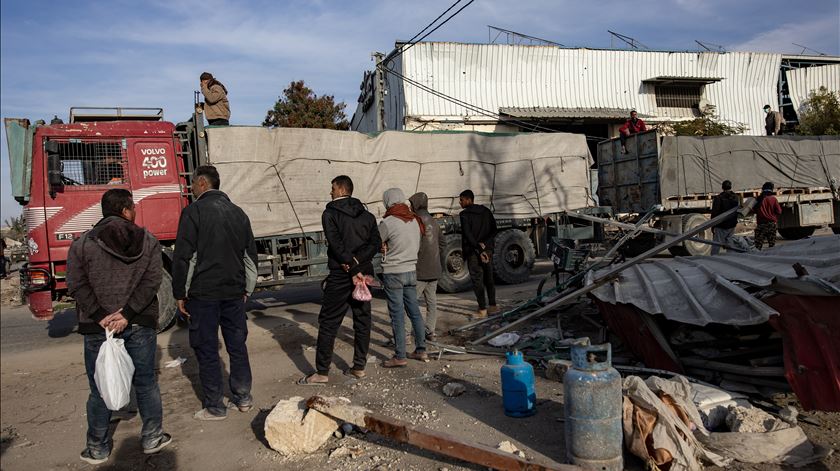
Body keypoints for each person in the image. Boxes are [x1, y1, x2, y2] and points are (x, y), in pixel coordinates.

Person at [66, 189, 171, 464]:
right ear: (126, 210)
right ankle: (152, 438)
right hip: (139, 323)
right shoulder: (148, 241)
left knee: (100, 386)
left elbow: (76, 284)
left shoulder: (82, 244)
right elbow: (153, 281)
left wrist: (101, 315)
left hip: (97, 328)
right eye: (133, 207)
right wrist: (127, 314)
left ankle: (98, 448)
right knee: (146, 383)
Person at [172, 165, 257, 420]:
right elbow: (250, 256)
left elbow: (183, 258)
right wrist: (247, 289)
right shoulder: (238, 213)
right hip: (234, 292)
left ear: (201, 183)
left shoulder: (193, 212)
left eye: (193, 183)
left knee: (207, 349)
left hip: (204, 294)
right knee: (237, 346)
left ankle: (215, 406)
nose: (192, 188)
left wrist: (180, 293)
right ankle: (243, 397)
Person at [299, 175, 381, 384]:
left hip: (340, 274)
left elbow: (335, 244)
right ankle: (359, 367)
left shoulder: (330, 214)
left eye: (333, 188)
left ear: (342, 190)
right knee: (362, 320)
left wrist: (350, 264)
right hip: (364, 273)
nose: (330, 192)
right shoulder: (368, 215)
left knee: (328, 322)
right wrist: (359, 263)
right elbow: (375, 243)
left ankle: (322, 372)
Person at [378, 188, 428, 367]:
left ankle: (400, 356)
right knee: (414, 311)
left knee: (397, 316)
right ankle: (421, 349)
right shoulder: (415, 220)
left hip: (393, 272)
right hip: (411, 271)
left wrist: (384, 246)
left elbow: (377, 242)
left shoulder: (388, 222)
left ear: (388, 201)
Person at [409, 192, 446, 341]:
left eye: (412, 204)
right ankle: (430, 331)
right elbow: (443, 243)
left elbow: (412, 245)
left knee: (410, 303)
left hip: (420, 270)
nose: (410, 206)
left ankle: (406, 335)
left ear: (416, 204)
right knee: (431, 302)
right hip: (434, 269)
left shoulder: (415, 222)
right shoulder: (434, 221)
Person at [459, 190, 498, 318]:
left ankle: (482, 309)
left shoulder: (464, 215)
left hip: (473, 252)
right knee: (489, 277)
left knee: (477, 280)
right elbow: (494, 230)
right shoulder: (486, 211)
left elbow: (468, 235)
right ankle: (493, 306)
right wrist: (484, 245)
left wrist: (478, 247)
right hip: (487, 249)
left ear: (469, 200)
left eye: (462, 199)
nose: (460, 202)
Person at [710, 180, 739, 255]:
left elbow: (714, 213)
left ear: (722, 187)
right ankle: (730, 257)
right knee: (730, 242)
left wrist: (712, 225)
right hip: (731, 224)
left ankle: (713, 259)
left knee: (716, 244)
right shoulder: (735, 197)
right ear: (730, 187)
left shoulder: (719, 198)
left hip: (721, 225)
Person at [753, 181, 782, 250]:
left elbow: (754, 210)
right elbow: (779, 212)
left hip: (761, 225)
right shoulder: (773, 199)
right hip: (771, 225)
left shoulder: (758, 199)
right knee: (772, 246)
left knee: (758, 247)